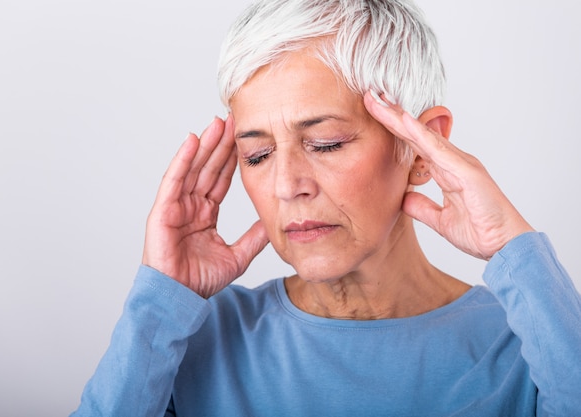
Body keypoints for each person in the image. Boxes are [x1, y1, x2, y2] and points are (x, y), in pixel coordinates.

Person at [71, 0, 581, 415]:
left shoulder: (529, 345)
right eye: (258, 154)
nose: (287, 185)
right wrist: (161, 302)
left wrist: (516, 251)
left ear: (423, 148)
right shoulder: (192, 341)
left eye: (327, 143)